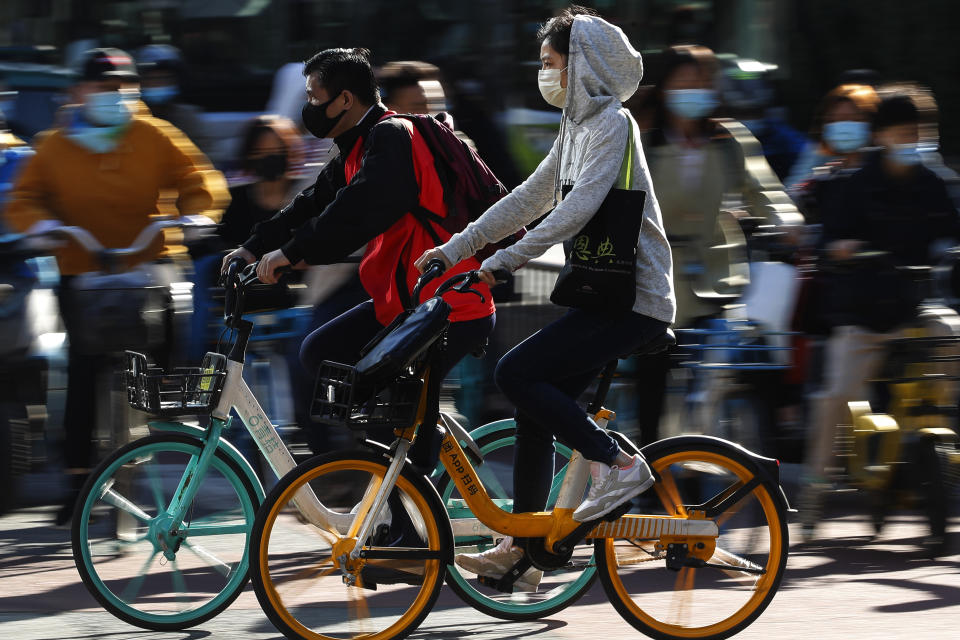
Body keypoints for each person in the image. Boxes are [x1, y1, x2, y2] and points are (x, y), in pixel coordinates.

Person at [416, 6, 674, 591]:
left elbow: (577, 209)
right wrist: (458, 249)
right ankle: (525, 547)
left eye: (551, 63)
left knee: (516, 372)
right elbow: (528, 198)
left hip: (636, 298)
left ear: (582, 65)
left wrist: (499, 262)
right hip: (601, 295)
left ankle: (619, 464)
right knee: (534, 404)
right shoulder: (576, 128)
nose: (546, 74)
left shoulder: (615, 125)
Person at [220, 47, 495, 468]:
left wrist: (290, 254)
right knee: (319, 355)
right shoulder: (357, 147)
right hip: (406, 304)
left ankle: (411, 513)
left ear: (345, 99)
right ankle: (413, 459)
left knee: (390, 407)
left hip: (448, 304)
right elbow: (310, 202)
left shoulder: (390, 137)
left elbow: (354, 213)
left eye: (314, 97)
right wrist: (254, 246)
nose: (308, 108)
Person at [3, 47, 229, 525]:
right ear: (79, 92)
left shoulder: (155, 135)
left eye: (123, 86)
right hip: (82, 271)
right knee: (83, 376)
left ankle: (162, 442)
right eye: (102, 86)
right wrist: (42, 227)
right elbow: (25, 198)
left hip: (149, 264)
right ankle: (76, 483)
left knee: (157, 368)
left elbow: (200, 182)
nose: (113, 95)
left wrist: (195, 214)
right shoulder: (55, 144)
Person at [801, 93, 960, 538]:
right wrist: (843, 249)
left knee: (952, 334)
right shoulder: (856, 185)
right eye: (904, 132)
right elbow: (829, 243)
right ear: (882, 135)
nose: (913, 140)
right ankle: (812, 496)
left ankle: (942, 439)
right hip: (864, 316)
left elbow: (951, 229)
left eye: (920, 132)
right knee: (837, 397)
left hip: (913, 309)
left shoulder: (932, 182)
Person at [784, 84, 879, 199]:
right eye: (835, 120)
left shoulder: (887, 163)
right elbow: (792, 194)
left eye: (854, 118)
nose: (844, 126)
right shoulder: (819, 161)